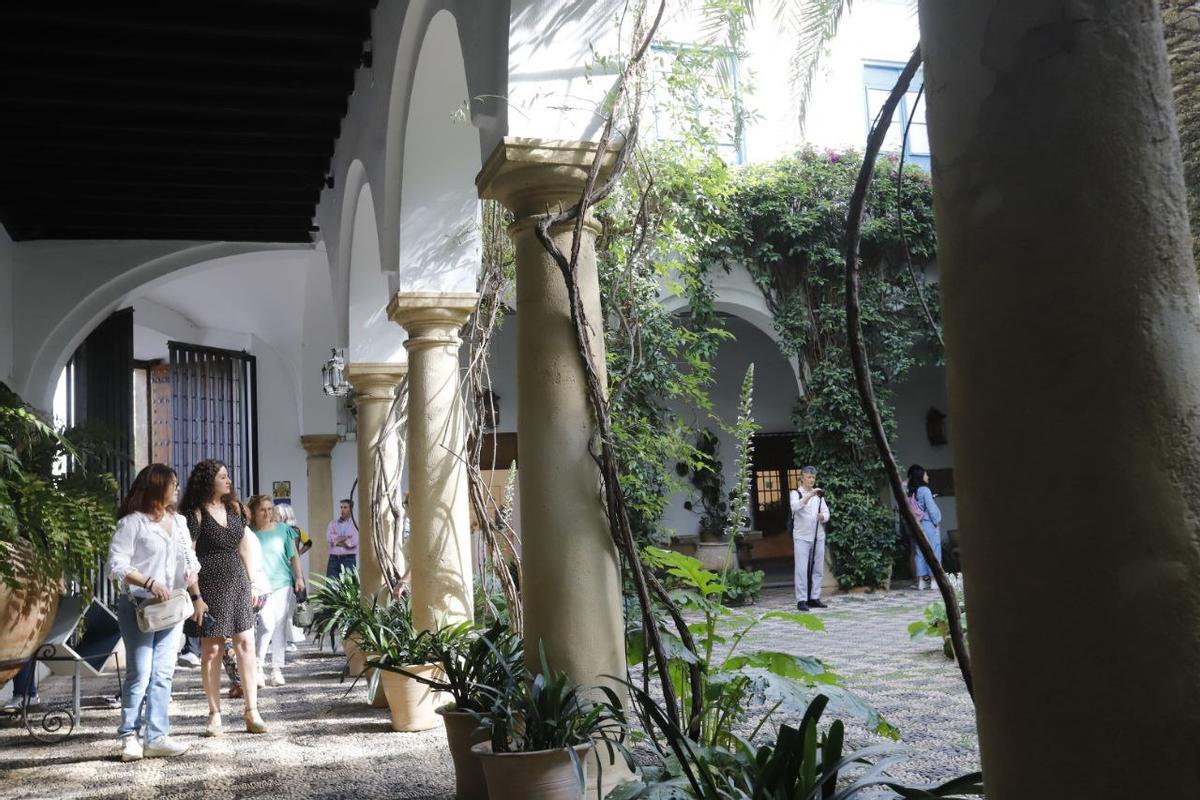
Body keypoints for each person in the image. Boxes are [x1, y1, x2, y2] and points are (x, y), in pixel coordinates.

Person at [106, 463, 205, 762]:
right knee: (140, 672)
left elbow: (191, 560)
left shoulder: (180, 522)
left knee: (163, 673)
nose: (176, 489)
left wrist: (194, 589)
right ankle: (129, 737)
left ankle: (157, 736)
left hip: (171, 608)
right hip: (139, 606)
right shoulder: (132, 523)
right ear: (156, 487)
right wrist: (149, 582)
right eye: (172, 484)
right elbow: (116, 565)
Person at [180, 459, 269, 736]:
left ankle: (252, 710)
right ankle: (214, 713)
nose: (228, 481)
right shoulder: (195, 514)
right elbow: (188, 556)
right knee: (212, 650)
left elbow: (244, 548)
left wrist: (253, 584)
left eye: (227, 476)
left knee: (246, 644)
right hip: (208, 584)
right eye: (222, 477)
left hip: (238, 583)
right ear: (209, 481)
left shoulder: (236, 509)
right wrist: (195, 595)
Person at [247, 495, 304, 687]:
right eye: (263, 509)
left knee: (279, 626)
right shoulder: (248, 533)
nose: (267, 513)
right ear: (254, 512)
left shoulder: (283, 530)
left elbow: (293, 555)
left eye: (270, 509)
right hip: (260, 585)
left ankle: (276, 670)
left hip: (282, 583)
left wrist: (299, 577)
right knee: (266, 625)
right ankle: (257, 666)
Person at [789, 466, 830, 612]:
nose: (811, 480)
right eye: (808, 477)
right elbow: (795, 507)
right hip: (801, 537)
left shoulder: (819, 496)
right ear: (802, 478)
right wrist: (809, 495)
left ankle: (814, 597)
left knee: (818, 568)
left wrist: (823, 517)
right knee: (801, 569)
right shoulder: (796, 493)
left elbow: (826, 513)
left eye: (813, 478)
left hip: (818, 536)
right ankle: (801, 600)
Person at [907, 464, 943, 590]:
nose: (927, 476)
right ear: (921, 476)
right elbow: (932, 510)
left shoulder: (911, 491)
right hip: (928, 525)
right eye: (926, 474)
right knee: (934, 551)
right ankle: (934, 581)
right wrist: (937, 520)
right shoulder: (925, 490)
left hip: (916, 525)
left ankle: (921, 582)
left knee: (919, 552)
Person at [326, 498, 359, 578]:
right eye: (341, 507)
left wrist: (338, 540)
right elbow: (330, 539)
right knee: (331, 586)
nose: (342, 510)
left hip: (348, 559)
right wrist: (346, 537)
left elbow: (353, 542)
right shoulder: (333, 524)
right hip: (333, 559)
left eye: (345, 507)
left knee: (348, 587)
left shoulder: (355, 525)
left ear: (351, 509)